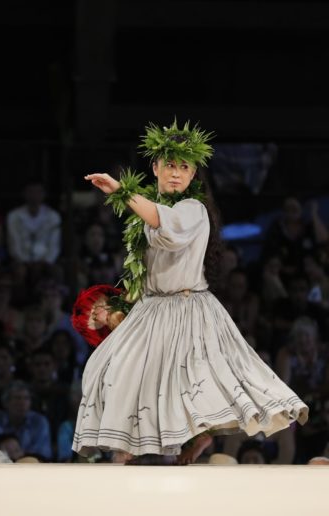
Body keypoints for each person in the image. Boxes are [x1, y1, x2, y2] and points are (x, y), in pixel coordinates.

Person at [71, 120, 309, 465]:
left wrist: (120, 190)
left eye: (184, 167)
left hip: (186, 307)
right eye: (169, 165)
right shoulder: (148, 211)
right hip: (153, 308)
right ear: (155, 167)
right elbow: (148, 260)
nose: (176, 174)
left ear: (194, 171)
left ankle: (179, 441)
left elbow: (162, 222)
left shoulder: (192, 210)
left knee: (190, 381)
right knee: (112, 368)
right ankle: (128, 449)